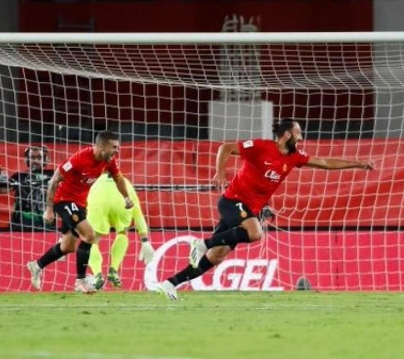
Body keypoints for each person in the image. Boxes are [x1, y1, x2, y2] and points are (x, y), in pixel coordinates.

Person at [157, 118, 375, 300]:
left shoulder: (294, 157)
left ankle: (170, 283)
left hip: (248, 209)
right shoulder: (261, 147)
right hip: (232, 200)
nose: (301, 137)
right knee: (255, 233)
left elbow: (325, 163)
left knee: (216, 256)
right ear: (287, 135)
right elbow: (226, 148)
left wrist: (358, 163)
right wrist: (220, 173)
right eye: (298, 133)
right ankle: (202, 243)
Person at [26, 131, 133, 294]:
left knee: (68, 246)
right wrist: (49, 208)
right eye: (114, 147)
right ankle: (80, 281)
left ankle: (37, 265)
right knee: (90, 235)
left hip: (80, 204)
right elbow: (54, 180)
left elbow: (118, 178)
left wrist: (126, 197)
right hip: (64, 200)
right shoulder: (79, 159)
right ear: (102, 147)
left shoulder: (109, 161)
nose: (117, 151)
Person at [87, 172, 155, 290]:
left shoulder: (95, 183)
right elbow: (138, 215)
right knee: (123, 232)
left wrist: (65, 234)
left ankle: (97, 274)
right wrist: (145, 241)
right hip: (121, 201)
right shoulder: (126, 184)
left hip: (98, 200)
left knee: (93, 239)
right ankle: (113, 270)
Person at [0, 146, 55, 231]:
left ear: (46, 159)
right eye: (32, 157)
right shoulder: (20, 176)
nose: (35, 160)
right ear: (27, 160)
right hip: (20, 224)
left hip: (46, 224)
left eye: (39, 157)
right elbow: (2, 190)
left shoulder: (54, 176)